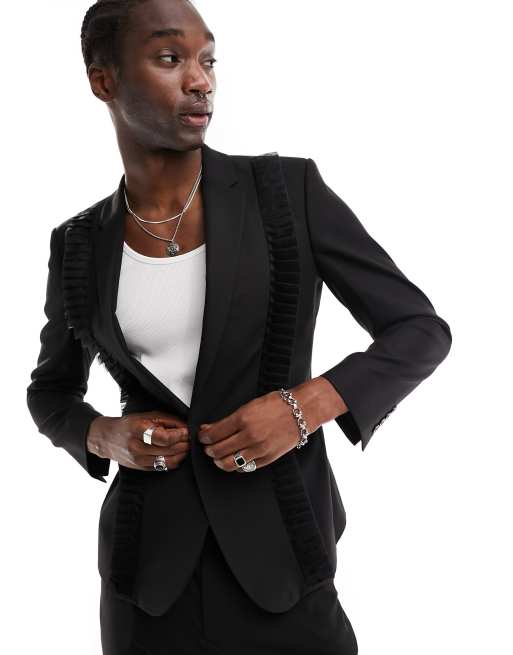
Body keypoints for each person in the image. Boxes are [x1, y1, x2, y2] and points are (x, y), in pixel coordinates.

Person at [26, 1, 452, 653]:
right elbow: (51, 391)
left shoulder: (287, 191)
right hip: (146, 580)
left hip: (283, 562)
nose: (200, 80)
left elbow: (418, 330)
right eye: (170, 58)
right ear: (103, 79)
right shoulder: (80, 241)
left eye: (208, 59)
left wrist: (304, 407)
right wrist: (104, 435)